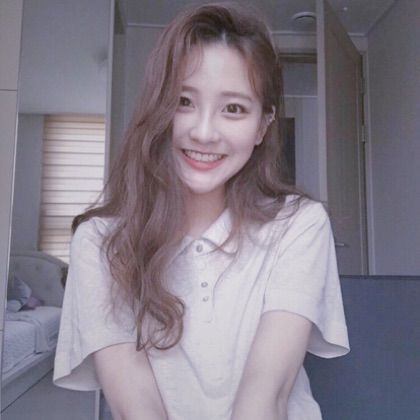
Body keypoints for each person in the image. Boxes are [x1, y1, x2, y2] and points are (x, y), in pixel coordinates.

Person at [53, 3, 349, 419]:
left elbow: (266, 397)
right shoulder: (101, 242)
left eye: (234, 108)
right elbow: (136, 408)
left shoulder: (299, 225)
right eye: (183, 101)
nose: (204, 132)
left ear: (263, 125)